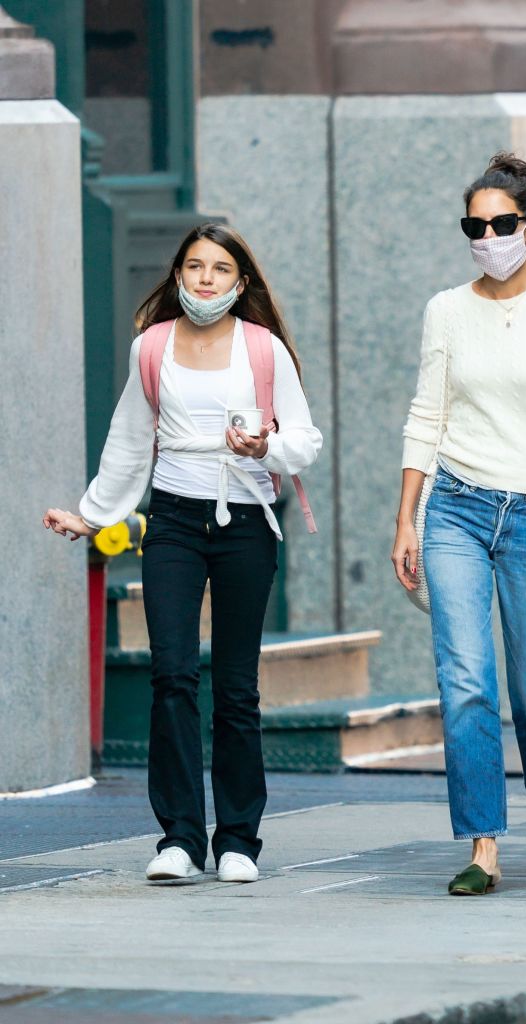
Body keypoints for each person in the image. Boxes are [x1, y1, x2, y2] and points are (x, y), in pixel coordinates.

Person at [43, 224, 322, 883]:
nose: (204, 279)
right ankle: (178, 838)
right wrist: (91, 514)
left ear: (239, 282)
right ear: (176, 276)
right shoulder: (153, 347)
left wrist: (266, 449)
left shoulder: (263, 349)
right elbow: (129, 442)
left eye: (219, 269)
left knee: (235, 686)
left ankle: (237, 842)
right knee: (171, 675)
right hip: (171, 519)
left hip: (246, 521)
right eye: (193, 266)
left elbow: (303, 439)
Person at [392, 153, 526, 896]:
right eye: (474, 226)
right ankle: (482, 844)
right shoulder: (446, 309)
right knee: (465, 681)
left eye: (502, 224)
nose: (487, 237)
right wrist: (405, 518)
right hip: (455, 505)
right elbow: (427, 414)